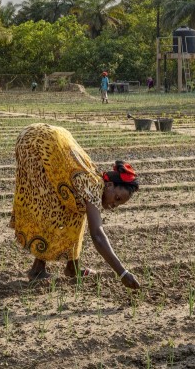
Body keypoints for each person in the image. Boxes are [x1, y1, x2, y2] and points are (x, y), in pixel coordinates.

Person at [10, 123, 141, 288]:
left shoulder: (92, 182)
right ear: (109, 186)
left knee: (71, 209)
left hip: (38, 136)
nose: (114, 204)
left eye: (119, 203)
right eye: (116, 197)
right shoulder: (94, 187)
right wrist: (122, 273)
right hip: (36, 143)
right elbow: (98, 236)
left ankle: (66, 268)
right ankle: (44, 270)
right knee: (50, 206)